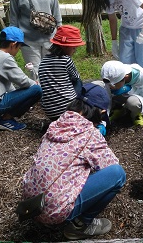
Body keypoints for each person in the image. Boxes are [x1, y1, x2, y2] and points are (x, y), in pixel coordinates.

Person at [21, 86, 126, 240]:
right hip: (53, 210)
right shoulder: (90, 134)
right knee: (118, 175)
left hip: (31, 201)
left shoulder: (55, 125)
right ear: (100, 112)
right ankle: (80, 226)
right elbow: (110, 166)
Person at [0, 27, 42, 131]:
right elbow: (23, 81)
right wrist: (36, 83)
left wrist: (18, 98)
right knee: (37, 90)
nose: (19, 50)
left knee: (27, 88)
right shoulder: (5, 58)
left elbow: (8, 83)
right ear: (13, 44)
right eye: (19, 47)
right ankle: (6, 120)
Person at [9, 0, 62, 81]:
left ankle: (52, 100)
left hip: (50, 38)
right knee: (35, 77)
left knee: (52, 74)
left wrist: (60, 31)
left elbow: (56, 9)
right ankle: (38, 100)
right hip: (29, 42)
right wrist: (15, 39)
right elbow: (14, 17)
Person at [38, 25, 85, 121]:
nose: (74, 51)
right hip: (68, 108)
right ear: (64, 46)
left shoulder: (43, 61)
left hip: (50, 111)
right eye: (73, 48)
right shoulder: (66, 60)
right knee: (78, 82)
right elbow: (76, 78)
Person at [101, 60, 143, 126]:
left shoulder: (142, 76)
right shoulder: (112, 75)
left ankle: (135, 114)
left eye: (113, 85)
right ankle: (119, 109)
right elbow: (108, 97)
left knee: (133, 103)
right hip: (121, 95)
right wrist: (104, 121)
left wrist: (126, 90)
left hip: (136, 95)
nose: (111, 87)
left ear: (125, 77)